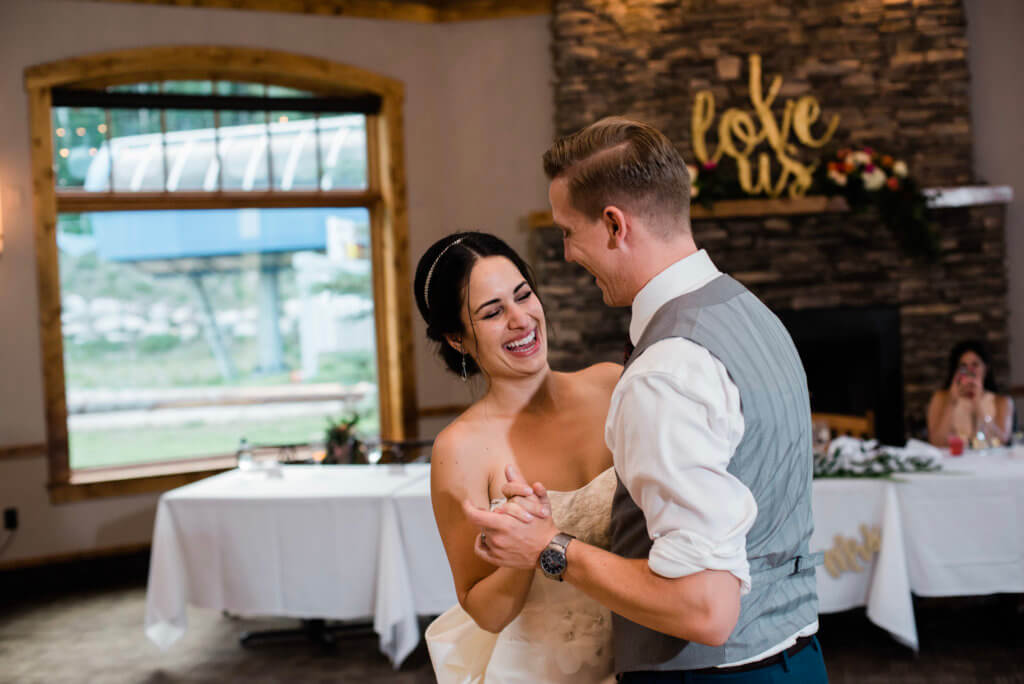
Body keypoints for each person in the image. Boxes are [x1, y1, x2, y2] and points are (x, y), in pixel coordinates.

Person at [463, 117, 829, 683]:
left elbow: (704, 608)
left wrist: (549, 546)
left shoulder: (665, 371)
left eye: (568, 231)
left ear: (614, 225)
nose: (564, 254)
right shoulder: (749, 313)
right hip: (797, 658)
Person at [415, 231, 622, 682]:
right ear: (456, 339)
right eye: (492, 312)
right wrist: (524, 554)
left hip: (647, 661)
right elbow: (486, 613)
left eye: (523, 296)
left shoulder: (613, 386)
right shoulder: (460, 449)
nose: (520, 319)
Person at [927, 339, 1015, 448]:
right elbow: (936, 442)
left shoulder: (1002, 401)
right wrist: (952, 402)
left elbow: (1003, 441)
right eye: (963, 366)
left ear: (986, 368)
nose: (969, 370)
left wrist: (978, 405)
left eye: (975, 364)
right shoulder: (941, 397)